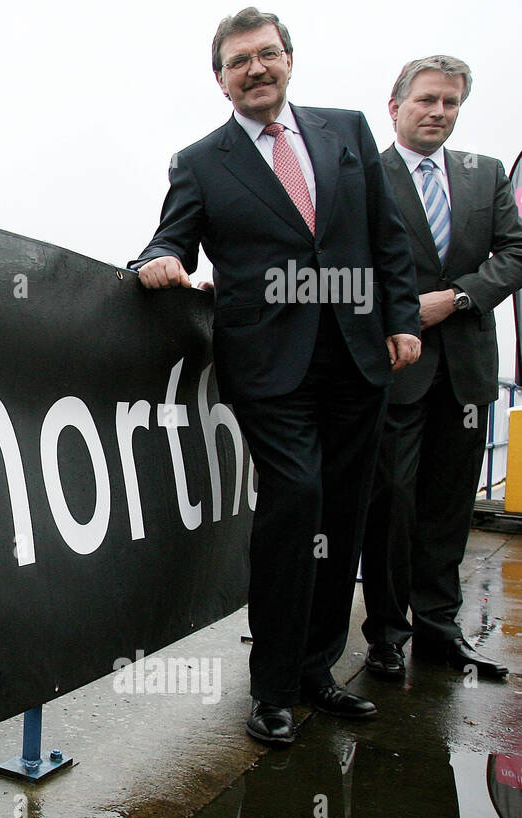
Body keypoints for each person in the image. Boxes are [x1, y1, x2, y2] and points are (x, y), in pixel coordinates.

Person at [133, 7, 422, 745]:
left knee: (344, 516)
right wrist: (156, 263)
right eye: (239, 62)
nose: (255, 70)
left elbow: (386, 236)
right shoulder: (199, 160)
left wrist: (401, 320)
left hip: (359, 358)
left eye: (266, 55)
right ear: (220, 79)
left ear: (288, 59)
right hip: (270, 367)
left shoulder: (349, 131)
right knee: (297, 503)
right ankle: (272, 687)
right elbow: (173, 238)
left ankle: (318, 672)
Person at [361, 56, 522, 682]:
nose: (439, 112)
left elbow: (516, 252)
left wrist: (454, 299)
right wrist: (403, 312)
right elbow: (345, 261)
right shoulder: (364, 175)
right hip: (394, 369)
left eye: (451, 103)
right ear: (395, 105)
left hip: (467, 370)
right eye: (427, 100)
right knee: (392, 505)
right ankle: (386, 635)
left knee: (449, 506)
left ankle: (438, 629)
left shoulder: (484, 178)